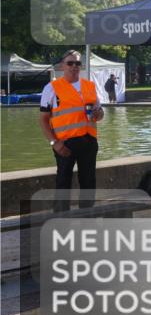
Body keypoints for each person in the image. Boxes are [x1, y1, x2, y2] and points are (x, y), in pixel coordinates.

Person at [38, 50, 104, 209]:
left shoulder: (89, 85)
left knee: (89, 182)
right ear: (62, 66)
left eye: (77, 63)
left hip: (89, 141)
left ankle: (87, 219)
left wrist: (98, 113)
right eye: (70, 63)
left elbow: (100, 113)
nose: (74, 66)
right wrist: (55, 143)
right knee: (63, 182)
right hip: (65, 144)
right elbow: (43, 120)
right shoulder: (51, 88)